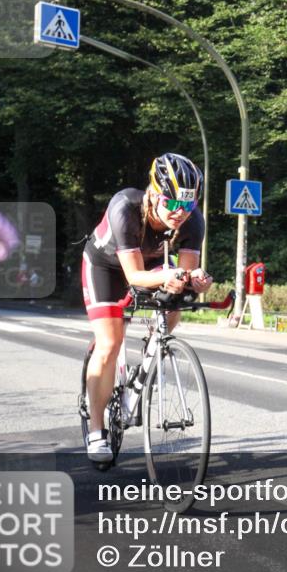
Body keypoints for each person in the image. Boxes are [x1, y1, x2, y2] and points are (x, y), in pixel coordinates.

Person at [81, 153, 213, 462]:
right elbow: (134, 276)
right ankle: (97, 430)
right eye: (173, 204)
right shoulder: (125, 208)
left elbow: (184, 273)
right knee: (110, 343)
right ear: (154, 193)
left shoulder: (192, 220)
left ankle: (150, 355)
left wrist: (195, 279)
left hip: (152, 263)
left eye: (188, 205)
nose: (180, 213)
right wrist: (169, 275)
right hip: (106, 265)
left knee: (175, 302)